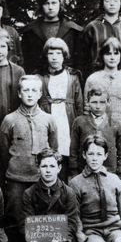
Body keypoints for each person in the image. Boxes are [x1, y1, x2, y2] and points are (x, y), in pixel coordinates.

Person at [0, 75, 58, 242]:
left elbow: (53, 151)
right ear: (20, 94)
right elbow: (3, 153)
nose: (30, 94)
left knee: (42, 227)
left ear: (40, 94)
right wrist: (13, 172)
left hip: (40, 182)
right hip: (15, 182)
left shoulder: (49, 120)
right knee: (14, 227)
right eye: (26, 90)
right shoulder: (10, 120)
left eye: (34, 90)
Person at [35, 37, 84, 181]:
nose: (54, 57)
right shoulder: (39, 76)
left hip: (66, 119)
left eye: (58, 53)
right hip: (48, 116)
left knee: (67, 152)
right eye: (51, 53)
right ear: (46, 56)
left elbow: (79, 103)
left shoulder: (73, 76)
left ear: (64, 56)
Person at [20, 0, 83, 74]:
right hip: (39, 78)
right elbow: (27, 62)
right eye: (46, 3)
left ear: (60, 3)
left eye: (54, 3)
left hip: (66, 77)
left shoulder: (73, 30)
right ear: (41, 5)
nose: (50, 7)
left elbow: (80, 62)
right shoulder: (30, 31)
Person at [70, 85, 121, 180]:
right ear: (87, 102)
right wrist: (74, 173)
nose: (98, 106)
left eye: (102, 102)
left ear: (108, 102)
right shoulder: (79, 122)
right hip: (84, 173)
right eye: (94, 102)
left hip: (110, 173)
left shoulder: (116, 124)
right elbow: (73, 150)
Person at [84, 37, 121, 124]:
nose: (112, 57)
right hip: (99, 126)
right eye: (108, 54)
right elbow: (87, 108)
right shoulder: (92, 79)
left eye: (116, 53)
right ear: (102, 56)